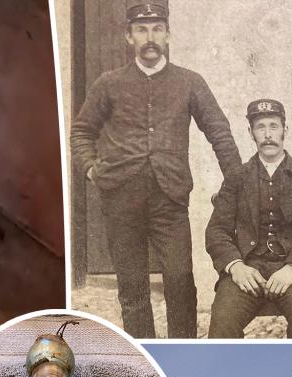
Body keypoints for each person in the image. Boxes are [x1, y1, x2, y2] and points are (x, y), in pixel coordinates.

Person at [69, 0, 240, 339]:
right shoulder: (109, 83)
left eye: (157, 29)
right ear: (128, 36)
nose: (150, 37)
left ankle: (184, 352)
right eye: (142, 30)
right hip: (121, 198)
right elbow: (81, 131)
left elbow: (219, 132)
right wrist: (90, 168)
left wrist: (236, 182)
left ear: (168, 35)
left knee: (179, 280)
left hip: (170, 198)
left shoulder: (190, 82)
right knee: (132, 288)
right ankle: (146, 353)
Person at [205, 99, 292, 339]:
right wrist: (236, 266)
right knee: (222, 324)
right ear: (251, 133)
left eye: (274, 126)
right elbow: (217, 231)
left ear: (285, 130)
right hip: (247, 269)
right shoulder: (236, 178)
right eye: (261, 127)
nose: (268, 134)